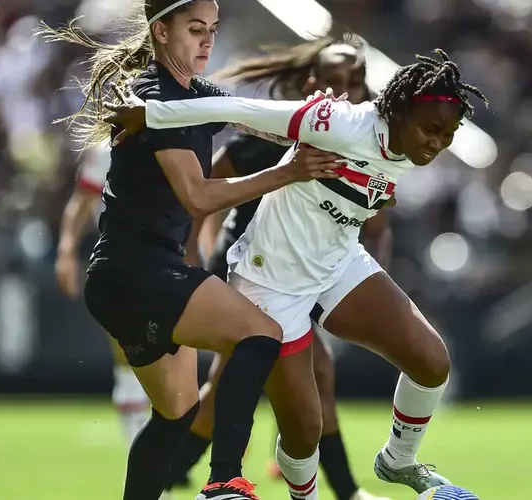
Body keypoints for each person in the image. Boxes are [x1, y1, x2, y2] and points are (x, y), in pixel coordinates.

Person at [104, 48, 488, 497]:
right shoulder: (336, 122)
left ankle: (398, 461)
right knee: (305, 431)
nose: (437, 143)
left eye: (447, 135)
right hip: (270, 281)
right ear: (399, 111)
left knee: (432, 361)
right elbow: (239, 109)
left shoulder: (410, 148)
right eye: (431, 130)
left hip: (338, 263)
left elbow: (367, 189)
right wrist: (152, 113)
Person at [37, 1, 345, 499]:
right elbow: (198, 196)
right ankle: (225, 480)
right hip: (141, 272)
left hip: (122, 278)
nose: (208, 41)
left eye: (213, 30)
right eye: (196, 29)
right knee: (260, 335)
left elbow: (255, 122)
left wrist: (317, 120)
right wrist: (288, 172)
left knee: (176, 416)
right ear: (161, 32)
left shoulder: (192, 95)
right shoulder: (154, 96)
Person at [166, 38, 393, 500]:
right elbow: (203, 195)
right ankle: (176, 475)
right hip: (252, 271)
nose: (346, 92)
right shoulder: (268, 135)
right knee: (235, 389)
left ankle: (176, 472)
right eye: (335, 82)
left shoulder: (365, 144)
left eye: (356, 83)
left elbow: (378, 225)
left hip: (305, 277)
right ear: (312, 85)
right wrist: (200, 254)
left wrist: (370, 279)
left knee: (292, 381)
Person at [54, 142, 151, 472]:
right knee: (129, 360)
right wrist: (66, 250)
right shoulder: (107, 150)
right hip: (121, 262)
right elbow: (83, 201)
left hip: (171, 257)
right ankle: (143, 465)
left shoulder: (180, 132)